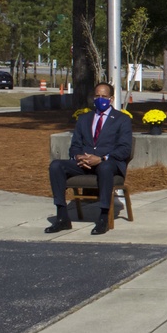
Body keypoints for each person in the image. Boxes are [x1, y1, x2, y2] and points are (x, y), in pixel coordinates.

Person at [47, 82, 133, 235]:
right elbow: (74, 145)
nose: (100, 99)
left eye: (104, 96)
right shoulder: (84, 118)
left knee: (105, 167)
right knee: (56, 165)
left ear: (111, 98)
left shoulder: (121, 119)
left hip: (108, 163)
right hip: (84, 163)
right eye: (97, 96)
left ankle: (103, 217)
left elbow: (124, 149)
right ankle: (62, 216)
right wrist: (78, 156)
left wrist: (102, 158)